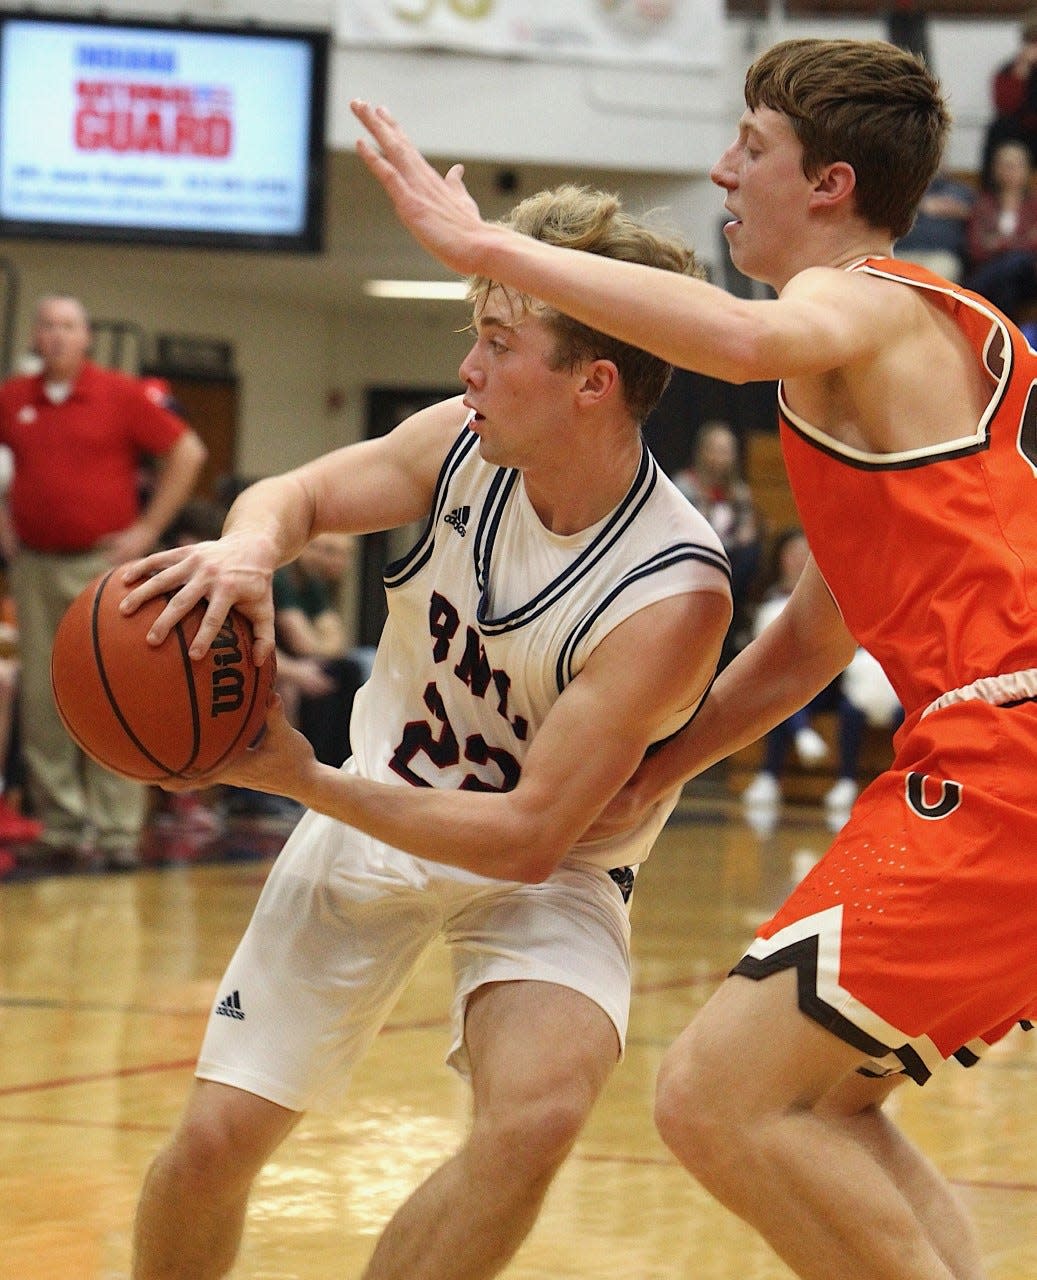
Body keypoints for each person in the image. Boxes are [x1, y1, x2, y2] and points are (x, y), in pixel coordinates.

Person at [351, 33, 1037, 1280]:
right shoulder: (922, 339)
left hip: (1007, 753)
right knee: (817, 1099)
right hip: (986, 748)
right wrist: (659, 765)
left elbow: (730, 338)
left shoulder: (859, 307)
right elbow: (812, 642)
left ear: (826, 185)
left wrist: (493, 250)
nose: (722, 173)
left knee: (712, 1098)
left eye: (751, 148)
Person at [120, 185, 732, 1279]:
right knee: (213, 1141)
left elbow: (528, 836)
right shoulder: (458, 443)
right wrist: (248, 549)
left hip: (543, 867)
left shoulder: (668, 592)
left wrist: (298, 777)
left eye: (499, 342)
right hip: (381, 802)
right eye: (473, 336)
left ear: (593, 382)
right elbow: (296, 493)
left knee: (537, 1112)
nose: (468, 367)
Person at [0, 295, 207, 870]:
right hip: (35, 565)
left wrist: (147, 529)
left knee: (112, 686)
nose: (57, 336)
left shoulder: (120, 393)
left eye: (68, 326)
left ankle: (118, 831)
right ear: (36, 338)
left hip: (102, 563)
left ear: (86, 336)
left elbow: (188, 452)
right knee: (43, 695)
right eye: (47, 326)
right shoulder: (14, 398)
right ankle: (63, 825)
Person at [740, 527, 830, 828]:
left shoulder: (827, 596)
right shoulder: (767, 596)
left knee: (791, 698)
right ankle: (771, 772)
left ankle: (777, 770)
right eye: (791, 552)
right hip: (785, 683)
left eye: (804, 552)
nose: (797, 559)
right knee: (781, 698)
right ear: (781, 558)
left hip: (826, 684)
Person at [672, 418, 763, 663]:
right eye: (717, 450)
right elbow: (683, 530)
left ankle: (726, 614)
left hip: (730, 564)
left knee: (752, 551)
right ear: (703, 451)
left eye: (727, 451)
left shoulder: (739, 492)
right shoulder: (685, 486)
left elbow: (747, 532)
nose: (722, 457)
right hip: (695, 561)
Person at [272, 530, 362, 770]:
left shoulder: (312, 585)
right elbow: (303, 642)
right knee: (335, 674)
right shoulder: (282, 578)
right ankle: (316, 767)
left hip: (291, 662)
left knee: (350, 668)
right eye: (330, 551)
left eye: (344, 554)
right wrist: (302, 664)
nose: (339, 561)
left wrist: (318, 649)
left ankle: (337, 766)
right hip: (272, 665)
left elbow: (337, 641)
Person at [964, 138, 1037, 322]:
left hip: (1029, 275)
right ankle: (1009, 337)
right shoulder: (983, 204)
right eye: (1005, 165)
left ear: (1027, 169)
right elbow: (976, 249)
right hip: (998, 275)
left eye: (1015, 165)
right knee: (1007, 281)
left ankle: (969, 295)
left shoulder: (1034, 205)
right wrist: (1018, 242)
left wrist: (998, 242)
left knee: (1019, 261)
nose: (1010, 171)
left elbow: (1032, 247)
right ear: (995, 169)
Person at [980, 7, 1037, 185]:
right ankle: (991, 193)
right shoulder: (1010, 71)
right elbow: (1004, 107)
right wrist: (1020, 75)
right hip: (1021, 132)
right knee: (999, 128)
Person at [895, 168, 975, 282]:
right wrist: (921, 205)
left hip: (941, 255)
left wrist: (964, 211)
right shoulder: (902, 191)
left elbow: (980, 216)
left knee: (934, 277)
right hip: (901, 252)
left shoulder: (962, 192)